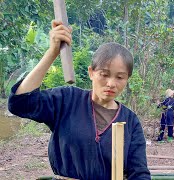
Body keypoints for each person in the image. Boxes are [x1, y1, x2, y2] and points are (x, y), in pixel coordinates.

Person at [8, 20, 151, 180]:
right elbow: (20, 103)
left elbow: (139, 174)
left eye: (120, 77)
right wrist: (52, 52)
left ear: (127, 79)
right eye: (104, 74)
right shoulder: (66, 100)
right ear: (91, 72)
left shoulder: (130, 121)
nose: (111, 83)